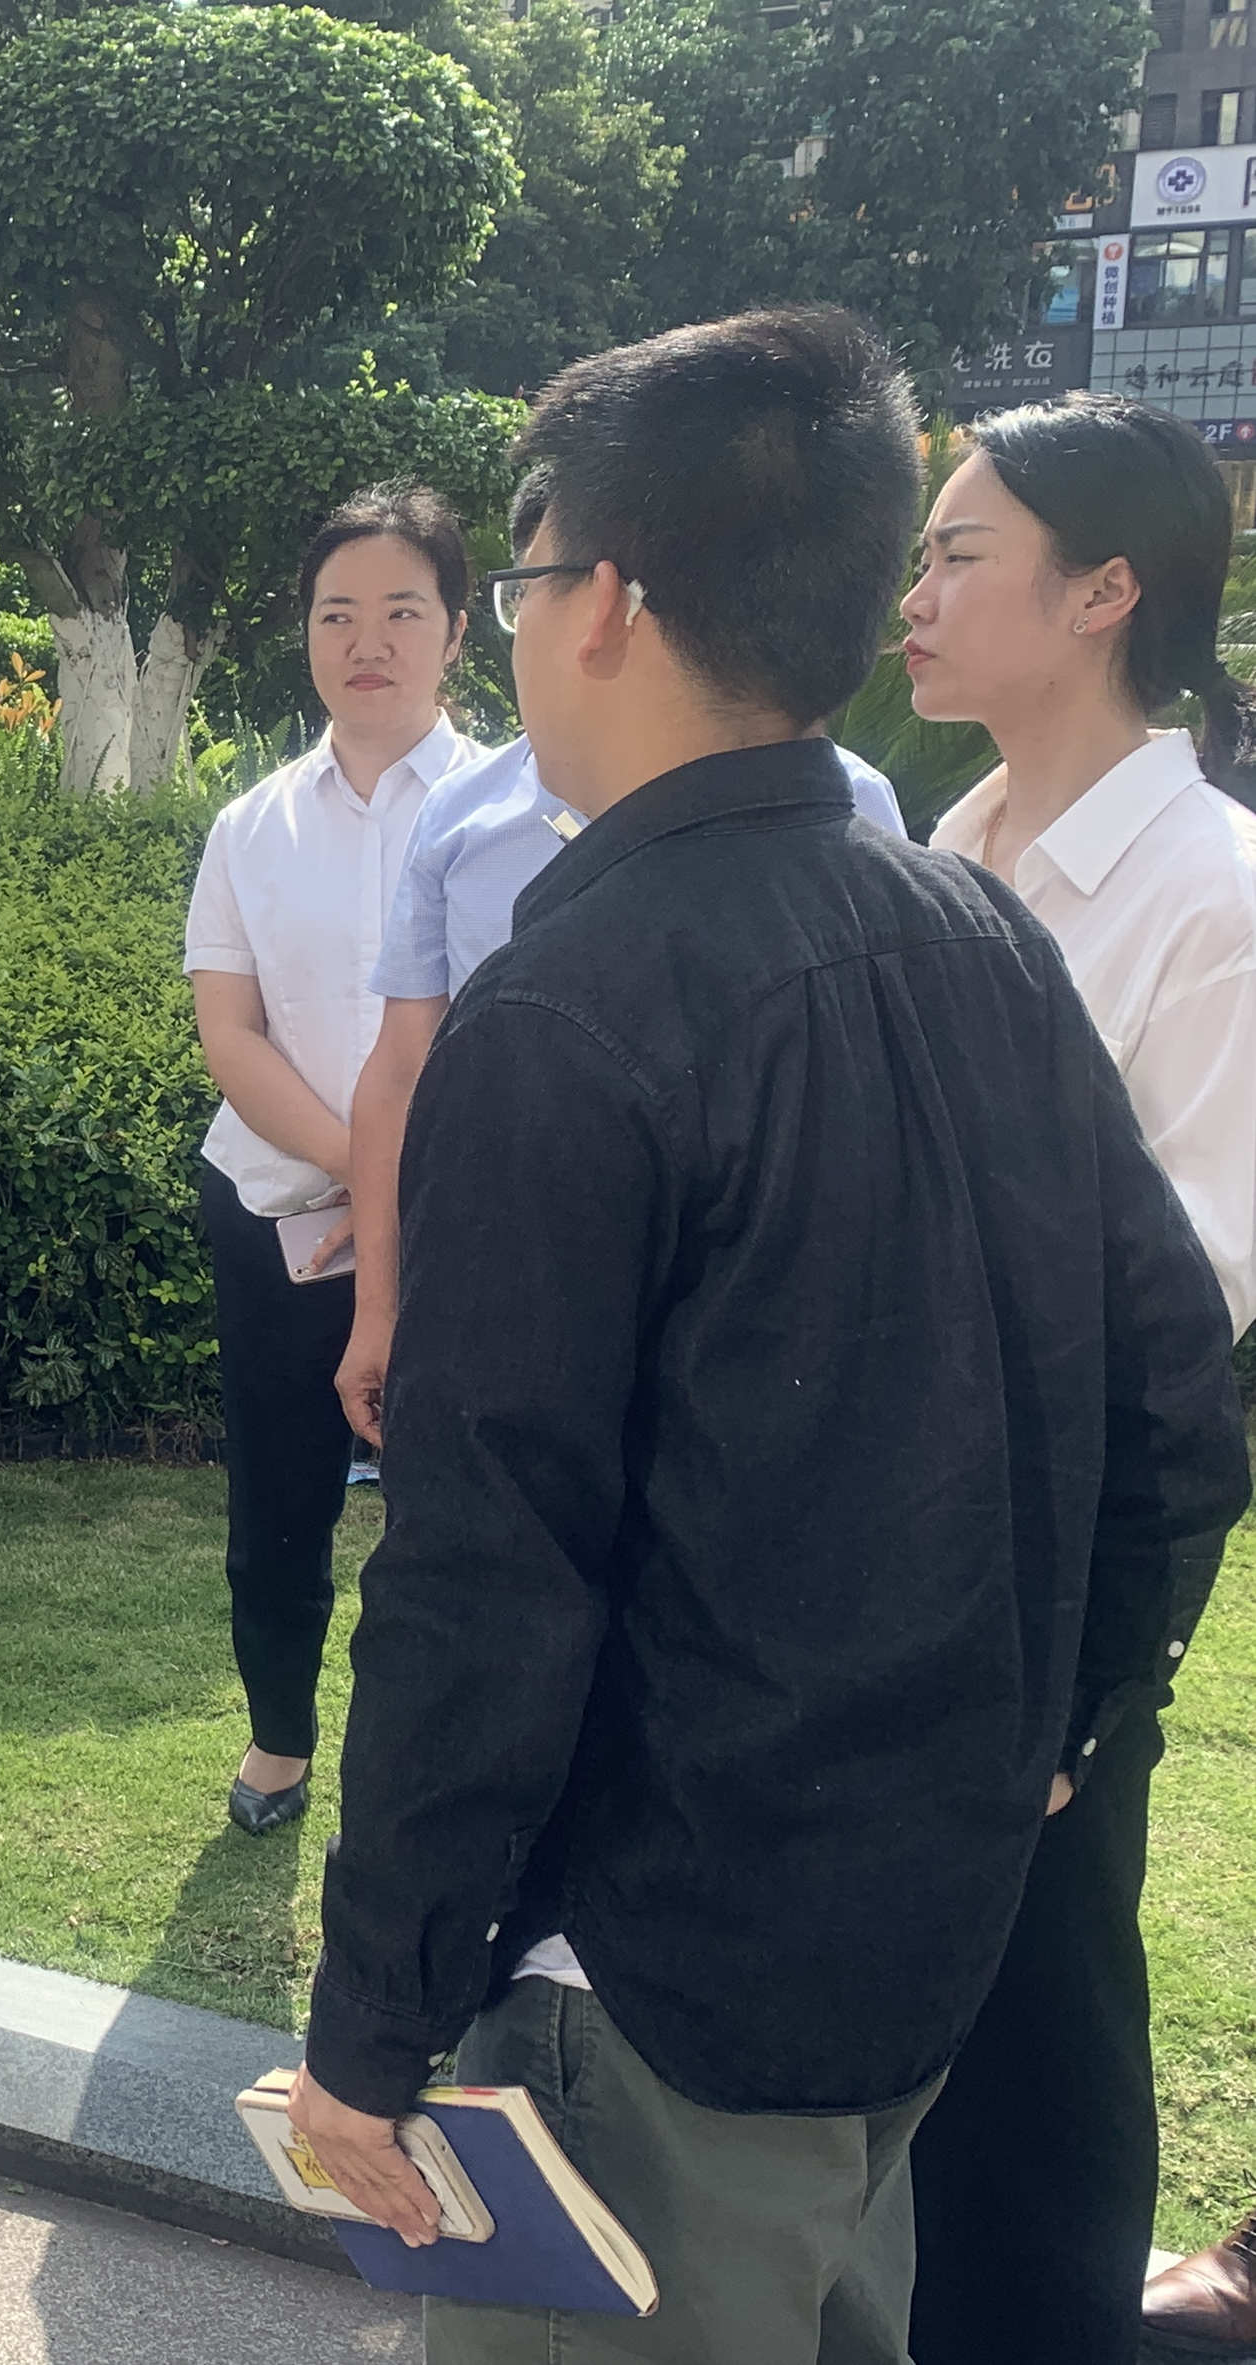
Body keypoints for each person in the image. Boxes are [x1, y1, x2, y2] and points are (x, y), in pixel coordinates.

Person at [282, 309, 1250, 2365]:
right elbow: (1177, 1405)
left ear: (604, 601)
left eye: (521, 581)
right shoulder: (975, 927)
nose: (517, 634)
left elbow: (480, 1579)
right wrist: (1060, 1733)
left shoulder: (570, 1012)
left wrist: (369, 2025)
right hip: (915, 1932)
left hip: (655, 1987)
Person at [886, 394, 1256, 2364]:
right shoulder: (942, 848)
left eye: (959, 554)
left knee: (1036, 2024)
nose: (914, 594)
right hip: (888, 1521)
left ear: (1105, 591)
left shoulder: (1213, 894)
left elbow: (1184, 1303)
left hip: (1062, 1545)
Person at [181, 483, 488, 1839]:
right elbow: (229, 1032)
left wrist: (408, 1194)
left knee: (460, 1504)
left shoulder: (523, 811)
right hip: (280, 1216)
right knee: (277, 1499)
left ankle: (441, 1757)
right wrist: (364, 1172)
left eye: (402, 612)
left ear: (458, 630)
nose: (367, 643)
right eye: (335, 614)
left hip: (472, 1225)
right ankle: (279, 1736)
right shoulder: (251, 825)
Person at [330, 739, 905, 1449]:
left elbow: (874, 1051)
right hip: (510, 1265)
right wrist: (377, 1308)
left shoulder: (846, 793)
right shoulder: (461, 811)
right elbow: (400, 1071)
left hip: (759, 1273)